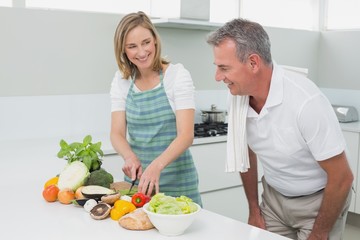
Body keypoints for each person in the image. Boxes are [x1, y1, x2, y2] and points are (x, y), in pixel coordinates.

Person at [207, 18, 353, 240]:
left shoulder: (306, 102)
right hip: (274, 199)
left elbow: (342, 178)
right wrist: (254, 209)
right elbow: (245, 153)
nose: (218, 77)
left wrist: (320, 232)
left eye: (224, 68)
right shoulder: (237, 98)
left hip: (320, 201)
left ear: (253, 63)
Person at [110, 11, 202, 205]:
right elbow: (116, 133)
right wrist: (129, 157)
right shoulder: (121, 80)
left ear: (155, 41)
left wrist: (156, 166)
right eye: (132, 46)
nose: (142, 52)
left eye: (146, 42)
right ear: (123, 50)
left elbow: (186, 135)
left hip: (179, 185)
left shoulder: (177, 76)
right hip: (138, 185)